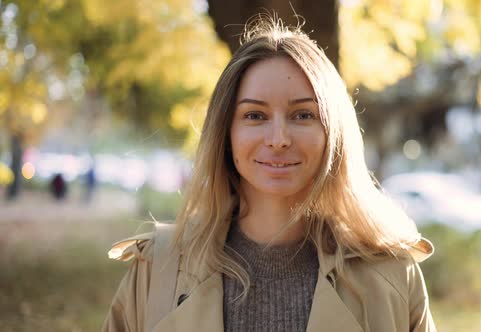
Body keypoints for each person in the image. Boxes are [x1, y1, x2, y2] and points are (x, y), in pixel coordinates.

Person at [102, 17, 436, 332]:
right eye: (255, 115)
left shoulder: (394, 274)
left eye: (303, 114)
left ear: (332, 133)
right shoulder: (157, 269)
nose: (278, 139)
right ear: (226, 132)